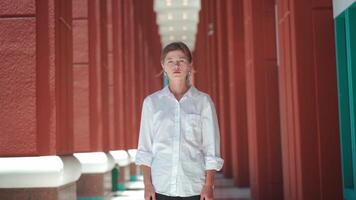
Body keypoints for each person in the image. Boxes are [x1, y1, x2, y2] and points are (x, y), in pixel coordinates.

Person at [135, 42, 224, 200]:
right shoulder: (151, 103)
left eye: (181, 60)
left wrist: (208, 185)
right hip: (160, 187)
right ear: (163, 66)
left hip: (193, 187)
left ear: (190, 65)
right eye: (170, 61)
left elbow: (211, 148)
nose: (176, 65)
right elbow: (145, 148)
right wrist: (147, 185)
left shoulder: (203, 102)